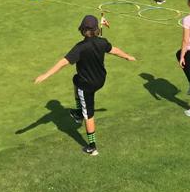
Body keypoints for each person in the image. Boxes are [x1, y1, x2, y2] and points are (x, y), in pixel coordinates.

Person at [34, 14, 136, 156]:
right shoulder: (102, 42)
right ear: (96, 30)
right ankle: (77, 112)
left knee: (89, 114)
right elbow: (114, 50)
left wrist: (45, 75)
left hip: (87, 85)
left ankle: (92, 146)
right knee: (75, 79)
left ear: (83, 30)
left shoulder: (80, 48)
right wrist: (127, 56)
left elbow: (63, 62)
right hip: (100, 80)